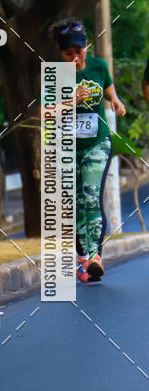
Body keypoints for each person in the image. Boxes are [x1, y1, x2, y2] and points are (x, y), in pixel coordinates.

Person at [50, 18, 126, 283]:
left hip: (97, 143)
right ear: (61, 54)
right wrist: (72, 101)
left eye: (79, 50)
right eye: (69, 53)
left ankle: (94, 256)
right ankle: (84, 259)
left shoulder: (99, 65)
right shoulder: (57, 76)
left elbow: (107, 89)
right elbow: (45, 113)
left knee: (91, 196)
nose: (76, 57)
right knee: (76, 206)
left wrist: (115, 100)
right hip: (70, 149)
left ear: (86, 46)